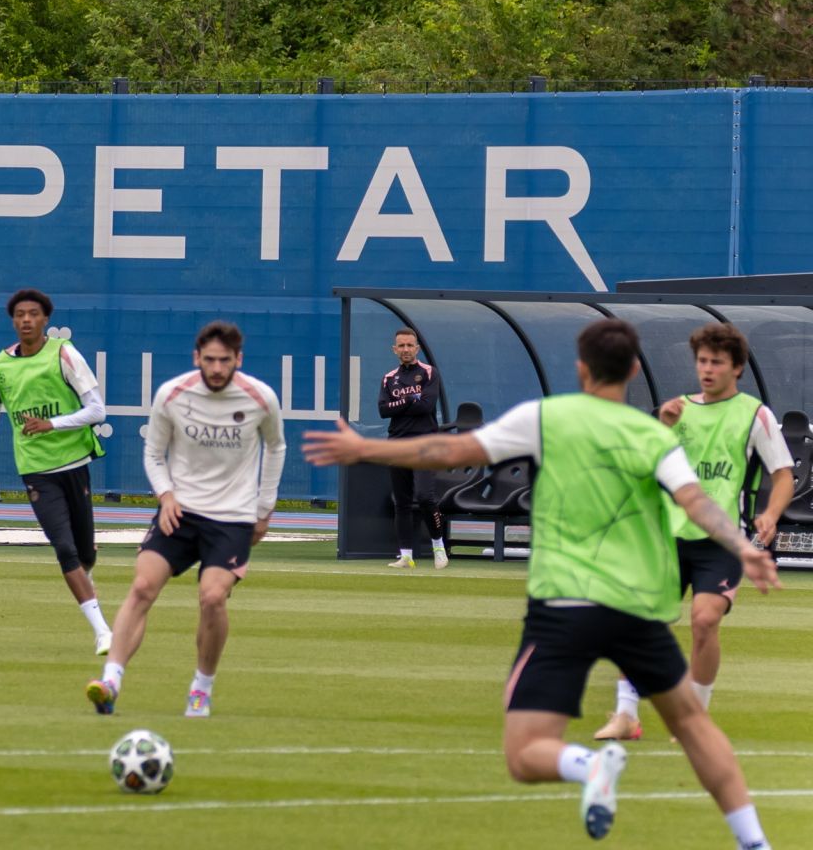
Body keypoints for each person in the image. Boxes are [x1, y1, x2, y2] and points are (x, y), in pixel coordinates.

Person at [303, 318, 780, 848]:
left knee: (525, 753)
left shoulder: (544, 418)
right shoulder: (651, 433)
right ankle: (754, 840)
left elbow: (446, 452)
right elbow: (696, 502)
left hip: (563, 606)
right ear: (632, 371)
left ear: (580, 368)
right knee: (695, 728)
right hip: (633, 607)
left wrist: (364, 449)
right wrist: (742, 547)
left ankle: (586, 767)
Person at [595, 321, 795, 742]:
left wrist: (772, 515)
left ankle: (693, 719)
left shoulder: (755, 415)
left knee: (705, 620)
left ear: (736, 367)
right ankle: (626, 715)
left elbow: (783, 476)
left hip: (721, 540)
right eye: (702, 361)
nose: (706, 369)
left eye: (716, 362)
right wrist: (662, 427)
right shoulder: (676, 410)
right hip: (666, 535)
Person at [86, 321, 284, 720]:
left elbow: (276, 446)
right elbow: (154, 454)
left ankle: (201, 689)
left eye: (224, 361)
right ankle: (110, 682)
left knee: (212, 598)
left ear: (237, 360)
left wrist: (263, 510)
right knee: (142, 587)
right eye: (208, 359)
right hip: (181, 511)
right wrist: (166, 494)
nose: (215, 368)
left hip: (232, 519)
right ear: (197, 358)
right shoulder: (172, 394)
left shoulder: (260, 397)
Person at [0, 288, 111, 653]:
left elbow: (97, 411)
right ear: (13, 320)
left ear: (46, 319)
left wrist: (53, 425)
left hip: (74, 462)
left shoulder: (64, 354)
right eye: (20, 314)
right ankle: (102, 631)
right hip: (35, 470)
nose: (26, 319)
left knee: (86, 554)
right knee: (63, 547)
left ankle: (84, 581)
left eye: (33, 313)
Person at [378, 327, 448, 569]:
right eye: (401, 346)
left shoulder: (429, 373)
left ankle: (439, 547)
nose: (406, 350)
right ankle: (406, 555)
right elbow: (383, 410)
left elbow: (427, 406)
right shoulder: (389, 378)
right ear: (394, 349)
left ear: (417, 348)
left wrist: (403, 403)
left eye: (410, 345)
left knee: (425, 496)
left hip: (425, 443)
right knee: (402, 501)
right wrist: (409, 399)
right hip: (397, 443)